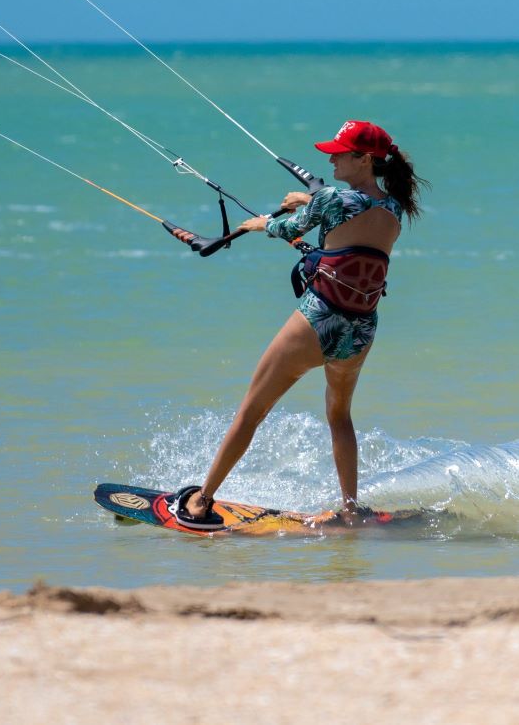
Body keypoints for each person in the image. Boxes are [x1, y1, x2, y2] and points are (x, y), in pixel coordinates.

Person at [177, 120, 426, 528]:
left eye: (340, 153)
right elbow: (344, 212)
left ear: (364, 159)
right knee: (340, 416)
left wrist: (260, 223)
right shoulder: (395, 207)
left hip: (318, 320)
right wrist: (308, 199)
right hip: (360, 329)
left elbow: (289, 228)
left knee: (252, 410)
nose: (330, 158)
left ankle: (202, 501)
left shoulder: (331, 199)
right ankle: (350, 509)